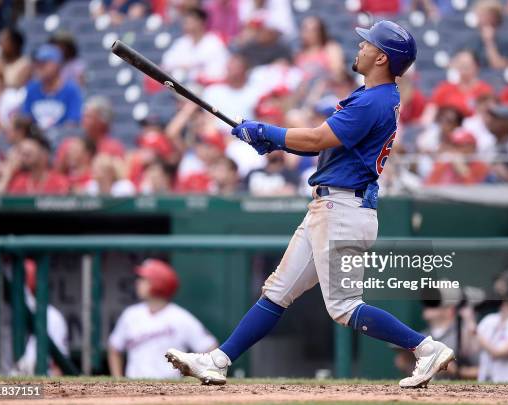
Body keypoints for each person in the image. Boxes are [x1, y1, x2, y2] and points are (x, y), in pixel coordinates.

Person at [165, 20, 455, 389]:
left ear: (382, 57)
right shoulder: (377, 96)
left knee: (345, 306)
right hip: (333, 207)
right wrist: (273, 140)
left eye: (367, 44)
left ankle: (425, 347)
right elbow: (324, 142)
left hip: (342, 210)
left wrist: (267, 132)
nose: (360, 46)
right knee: (278, 290)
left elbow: (319, 138)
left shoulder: (373, 100)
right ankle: (218, 361)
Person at [108, 259, 217, 379]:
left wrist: (191, 377)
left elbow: (210, 347)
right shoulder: (130, 315)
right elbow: (114, 348)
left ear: (159, 283)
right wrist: (118, 378)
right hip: (134, 386)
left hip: (169, 388)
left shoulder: (180, 317)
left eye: (144, 280)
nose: (138, 283)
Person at [22, 44, 82, 131]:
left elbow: (73, 122)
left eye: (44, 63)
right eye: (37, 64)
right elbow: (25, 119)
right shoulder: (31, 89)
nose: (39, 67)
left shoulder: (71, 90)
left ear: (57, 64)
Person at [161, 7, 229, 83]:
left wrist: (193, 70)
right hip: (180, 84)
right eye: (186, 21)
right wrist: (187, 66)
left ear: (201, 22)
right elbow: (167, 62)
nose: (186, 23)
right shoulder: (182, 42)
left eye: (191, 20)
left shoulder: (214, 42)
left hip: (204, 87)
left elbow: (219, 71)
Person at [477, 273, 508, 383]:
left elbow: (499, 352)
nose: (496, 293)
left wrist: (478, 336)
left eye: (500, 290)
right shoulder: (489, 320)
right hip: (484, 384)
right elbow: (471, 350)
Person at [0, 130, 70, 195]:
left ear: (44, 154)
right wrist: (8, 172)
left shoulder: (59, 180)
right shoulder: (20, 181)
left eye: (28, 154)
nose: (24, 157)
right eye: (22, 154)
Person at [294, 16, 345, 81]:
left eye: (313, 30)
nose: (309, 33)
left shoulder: (330, 48)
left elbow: (338, 74)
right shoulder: (299, 54)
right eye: (305, 29)